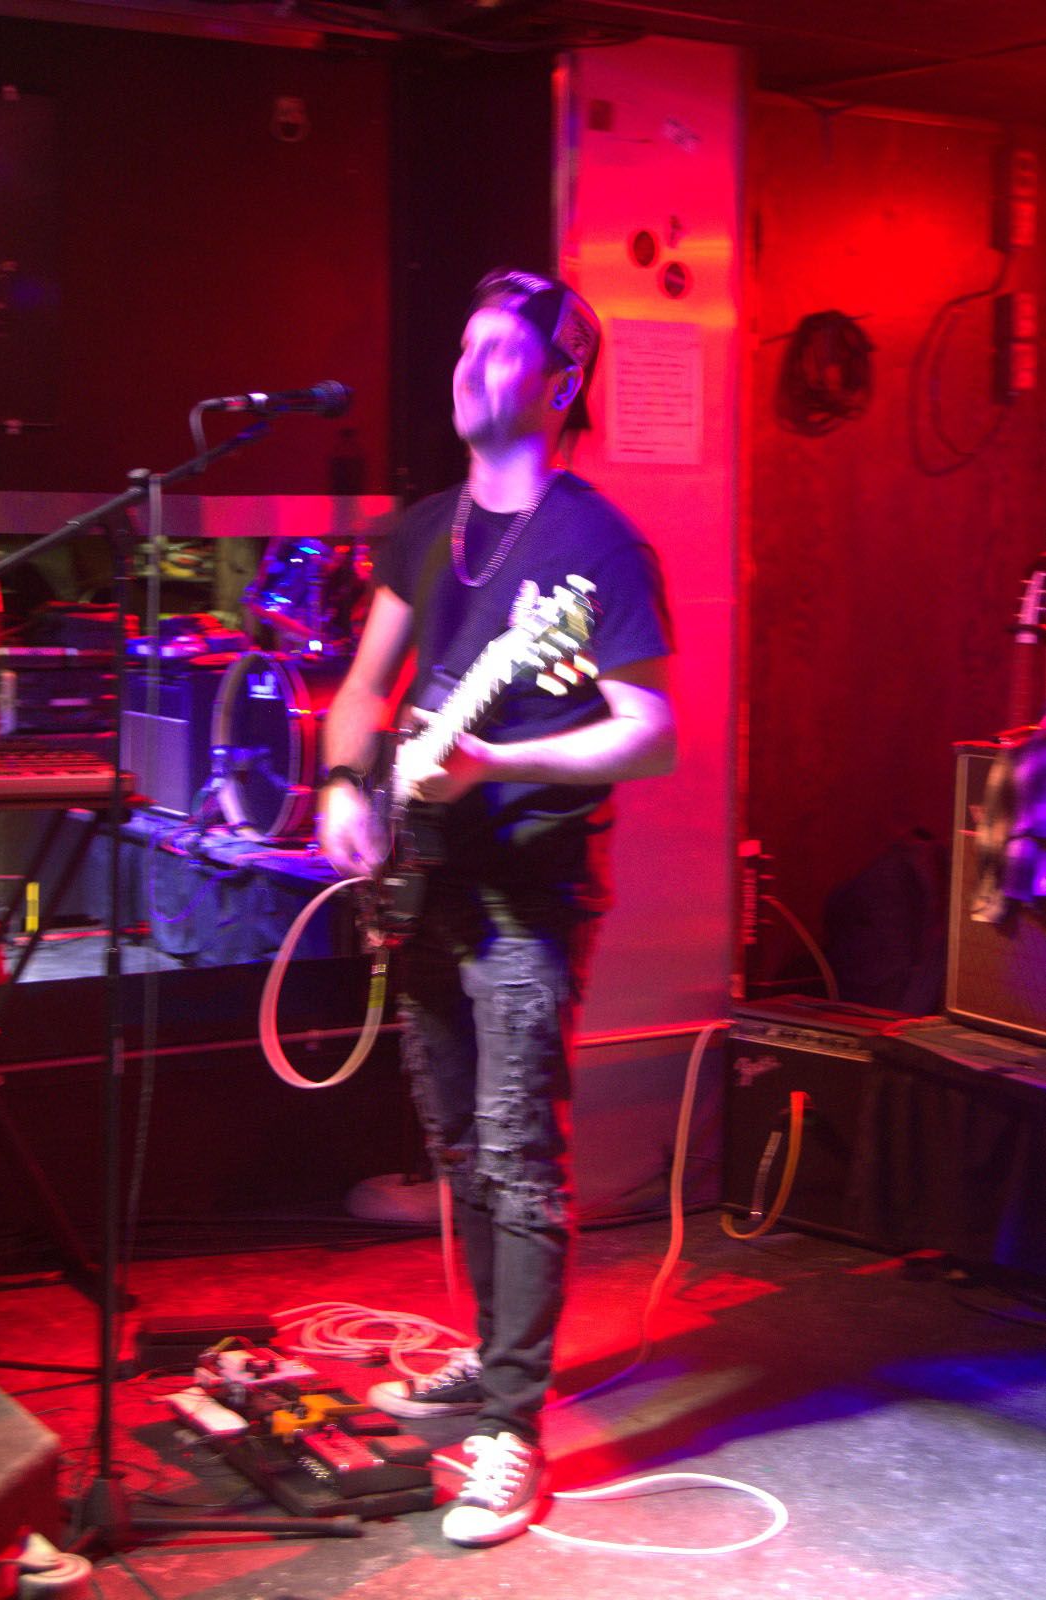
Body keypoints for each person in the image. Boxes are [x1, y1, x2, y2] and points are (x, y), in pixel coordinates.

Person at [317, 268, 676, 1547]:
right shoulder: (427, 528)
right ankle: (491, 1358)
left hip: (527, 891)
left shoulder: (598, 546)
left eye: (499, 349)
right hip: (427, 879)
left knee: (520, 1151)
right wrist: (343, 785)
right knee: (461, 1148)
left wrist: (497, 762)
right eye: (463, 344)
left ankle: (515, 1431)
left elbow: (649, 730)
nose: (469, 365)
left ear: (562, 383)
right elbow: (363, 687)